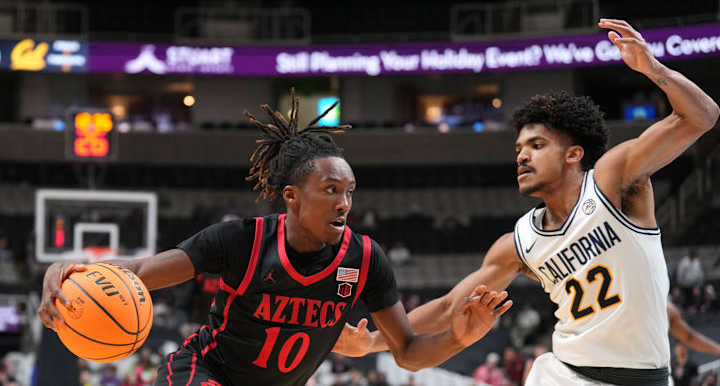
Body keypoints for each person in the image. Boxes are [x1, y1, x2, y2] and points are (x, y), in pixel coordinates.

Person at [333, 19, 720, 386]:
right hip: (565, 373)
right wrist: (373, 342)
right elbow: (450, 306)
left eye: (537, 146)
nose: (521, 156)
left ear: (572, 155)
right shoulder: (519, 242)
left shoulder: (613, 180)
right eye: (519, 148)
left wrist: (653, 68)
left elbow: (702, 116)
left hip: (647, 376)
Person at [37, 90, 512, 386]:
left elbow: (407, 351)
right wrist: (72, 271)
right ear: (291, 196)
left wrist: (457, 338)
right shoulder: (239, 241)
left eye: (349, 192)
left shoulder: (366, 260)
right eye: (330, 190)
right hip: (205, 373)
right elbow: (140, 273)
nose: (344, 202)